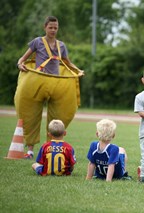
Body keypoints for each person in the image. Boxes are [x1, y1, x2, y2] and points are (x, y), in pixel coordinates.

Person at [15, 16, 84, 159]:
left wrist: (78, 71)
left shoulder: (61, 45)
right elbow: (23, 58)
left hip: (56, 84)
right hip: (38, 82)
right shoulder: (37, 42)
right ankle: (30, 151)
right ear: (45, 27)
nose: (53, 30)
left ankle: (51, 148)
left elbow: (67, 63)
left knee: (58, 118)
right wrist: (20, 64)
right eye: (50, 27)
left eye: (55, 28)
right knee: (31, 115)